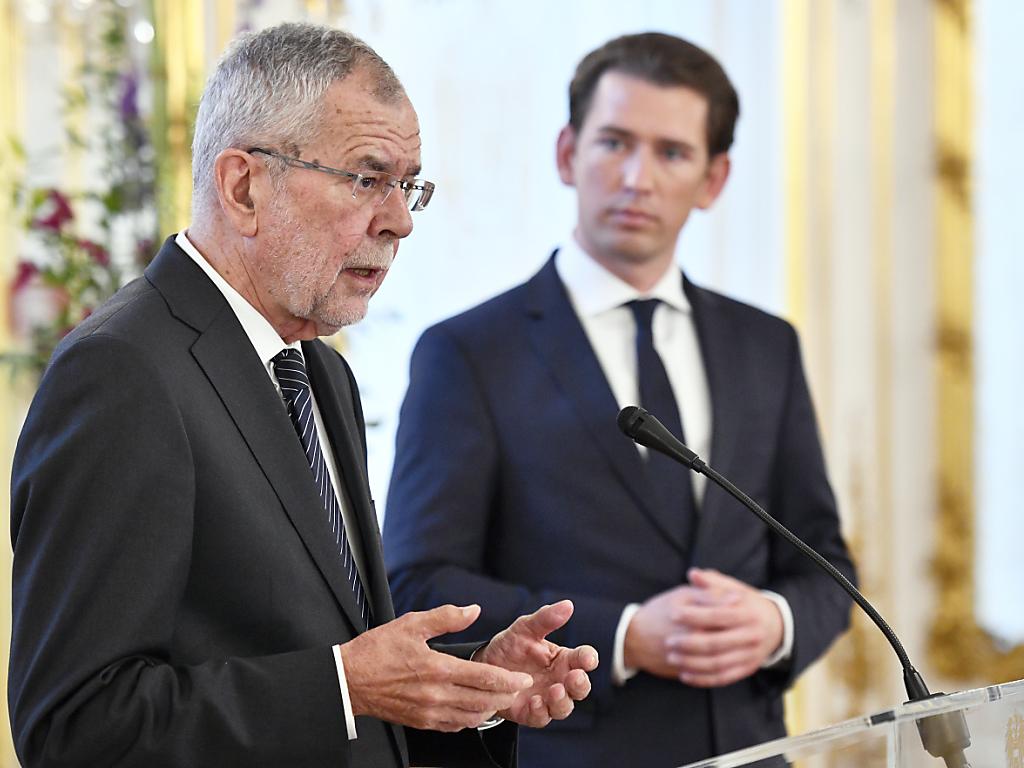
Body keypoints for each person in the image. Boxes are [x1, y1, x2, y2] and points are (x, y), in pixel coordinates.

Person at [8, 23, 598, 768]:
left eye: (409, 185)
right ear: (243, 187)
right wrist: (346, 686)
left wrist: (468, 686)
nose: (400, 220)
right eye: (367, 179)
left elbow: (327, 658)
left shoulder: (321, 372)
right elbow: (74, 728)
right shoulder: (122, 374)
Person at [383, 32, 856, 768]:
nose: (638, 178)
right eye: (614, 143)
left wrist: (776, 621)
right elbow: (419, 582)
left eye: (672, 153)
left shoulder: (768, 345)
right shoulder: (469, 352)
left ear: (714, 179)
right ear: (567, 154)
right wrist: (624, 634)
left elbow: (822, 563)